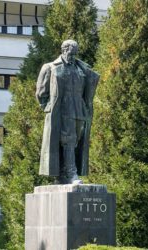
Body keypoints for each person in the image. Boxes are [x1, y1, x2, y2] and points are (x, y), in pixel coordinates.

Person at [36, 40, 99, 184]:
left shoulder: (81, 68)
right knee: (68, 140)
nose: (73, 56)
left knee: (76, 141)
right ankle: (71, 174)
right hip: (62, 111)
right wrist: (50, 109)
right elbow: (41, 93)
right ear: (64, 50)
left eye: (75, 53)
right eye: (71, 53)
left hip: (79, 110)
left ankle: (63, 173)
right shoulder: (50, 68)